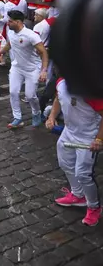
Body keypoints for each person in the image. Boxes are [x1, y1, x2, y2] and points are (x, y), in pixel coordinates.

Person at [46, 77, 103, 227]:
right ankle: (78, 195)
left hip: (88, 137)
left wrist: (99, 139)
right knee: (65, 164)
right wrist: (52, 116)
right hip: (68, 132)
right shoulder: (61, 81)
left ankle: (94, 207)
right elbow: (59, 98)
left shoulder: (90, 91)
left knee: (83, 174)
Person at [0, 10, 49, 129]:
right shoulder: (11, 32)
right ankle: (17, 117)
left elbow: (43, 52)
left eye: (10, 21)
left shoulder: (31, 35)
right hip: (17, 67)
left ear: (18, 22)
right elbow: (9, 44)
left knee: (30, 95)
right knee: (13, 92)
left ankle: (36, 113)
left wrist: (44, 70)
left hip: (32, 69)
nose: (7, 23)